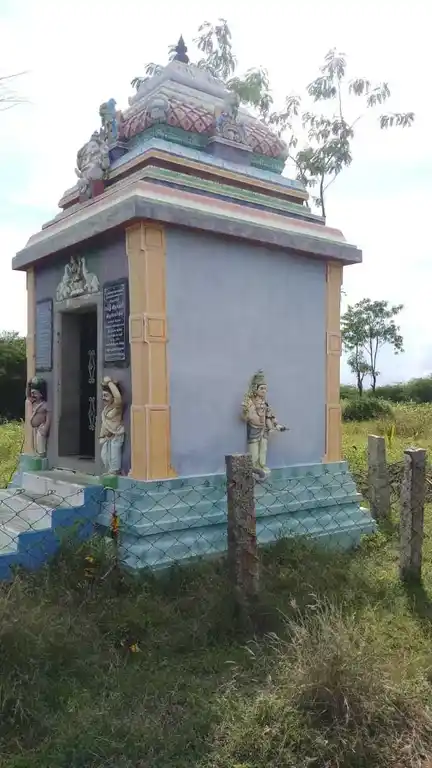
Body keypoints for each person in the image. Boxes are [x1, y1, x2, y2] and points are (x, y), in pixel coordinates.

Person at [241, 370, 287, 475]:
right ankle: (254, 468)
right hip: (254, 428)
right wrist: (246, 410)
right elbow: (246, 415)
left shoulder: (265, 403)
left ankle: (262, 465)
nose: (264, 391)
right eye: (261, 388)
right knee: (254, 451)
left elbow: (270, 415)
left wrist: (277, 425)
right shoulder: (250, 401)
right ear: (255, 389)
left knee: (263, 449)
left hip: (264, 429)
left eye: (265, 389)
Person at [99, 377, 125, 475]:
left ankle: (114, 472)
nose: (103, 398)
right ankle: (110, 471)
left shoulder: (117, 408)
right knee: (104, 456)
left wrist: (109, 382)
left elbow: (118, 399)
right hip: (107, 437)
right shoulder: (106, 408)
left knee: (114, 456)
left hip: (116, 435)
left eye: (106, 396)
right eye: (102, 395)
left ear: (112, 397)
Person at [26, 377, 50, 457]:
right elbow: (28, 396)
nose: (33, 395)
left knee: (40, 443)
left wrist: (46, 428)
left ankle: (41, 456)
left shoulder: (44, 405)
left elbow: (49, 416)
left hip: (41, 428)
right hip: (34, 428)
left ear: (41, 394)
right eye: (32, 393)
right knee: (35, 445)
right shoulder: (32, 403)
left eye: (35, 393)